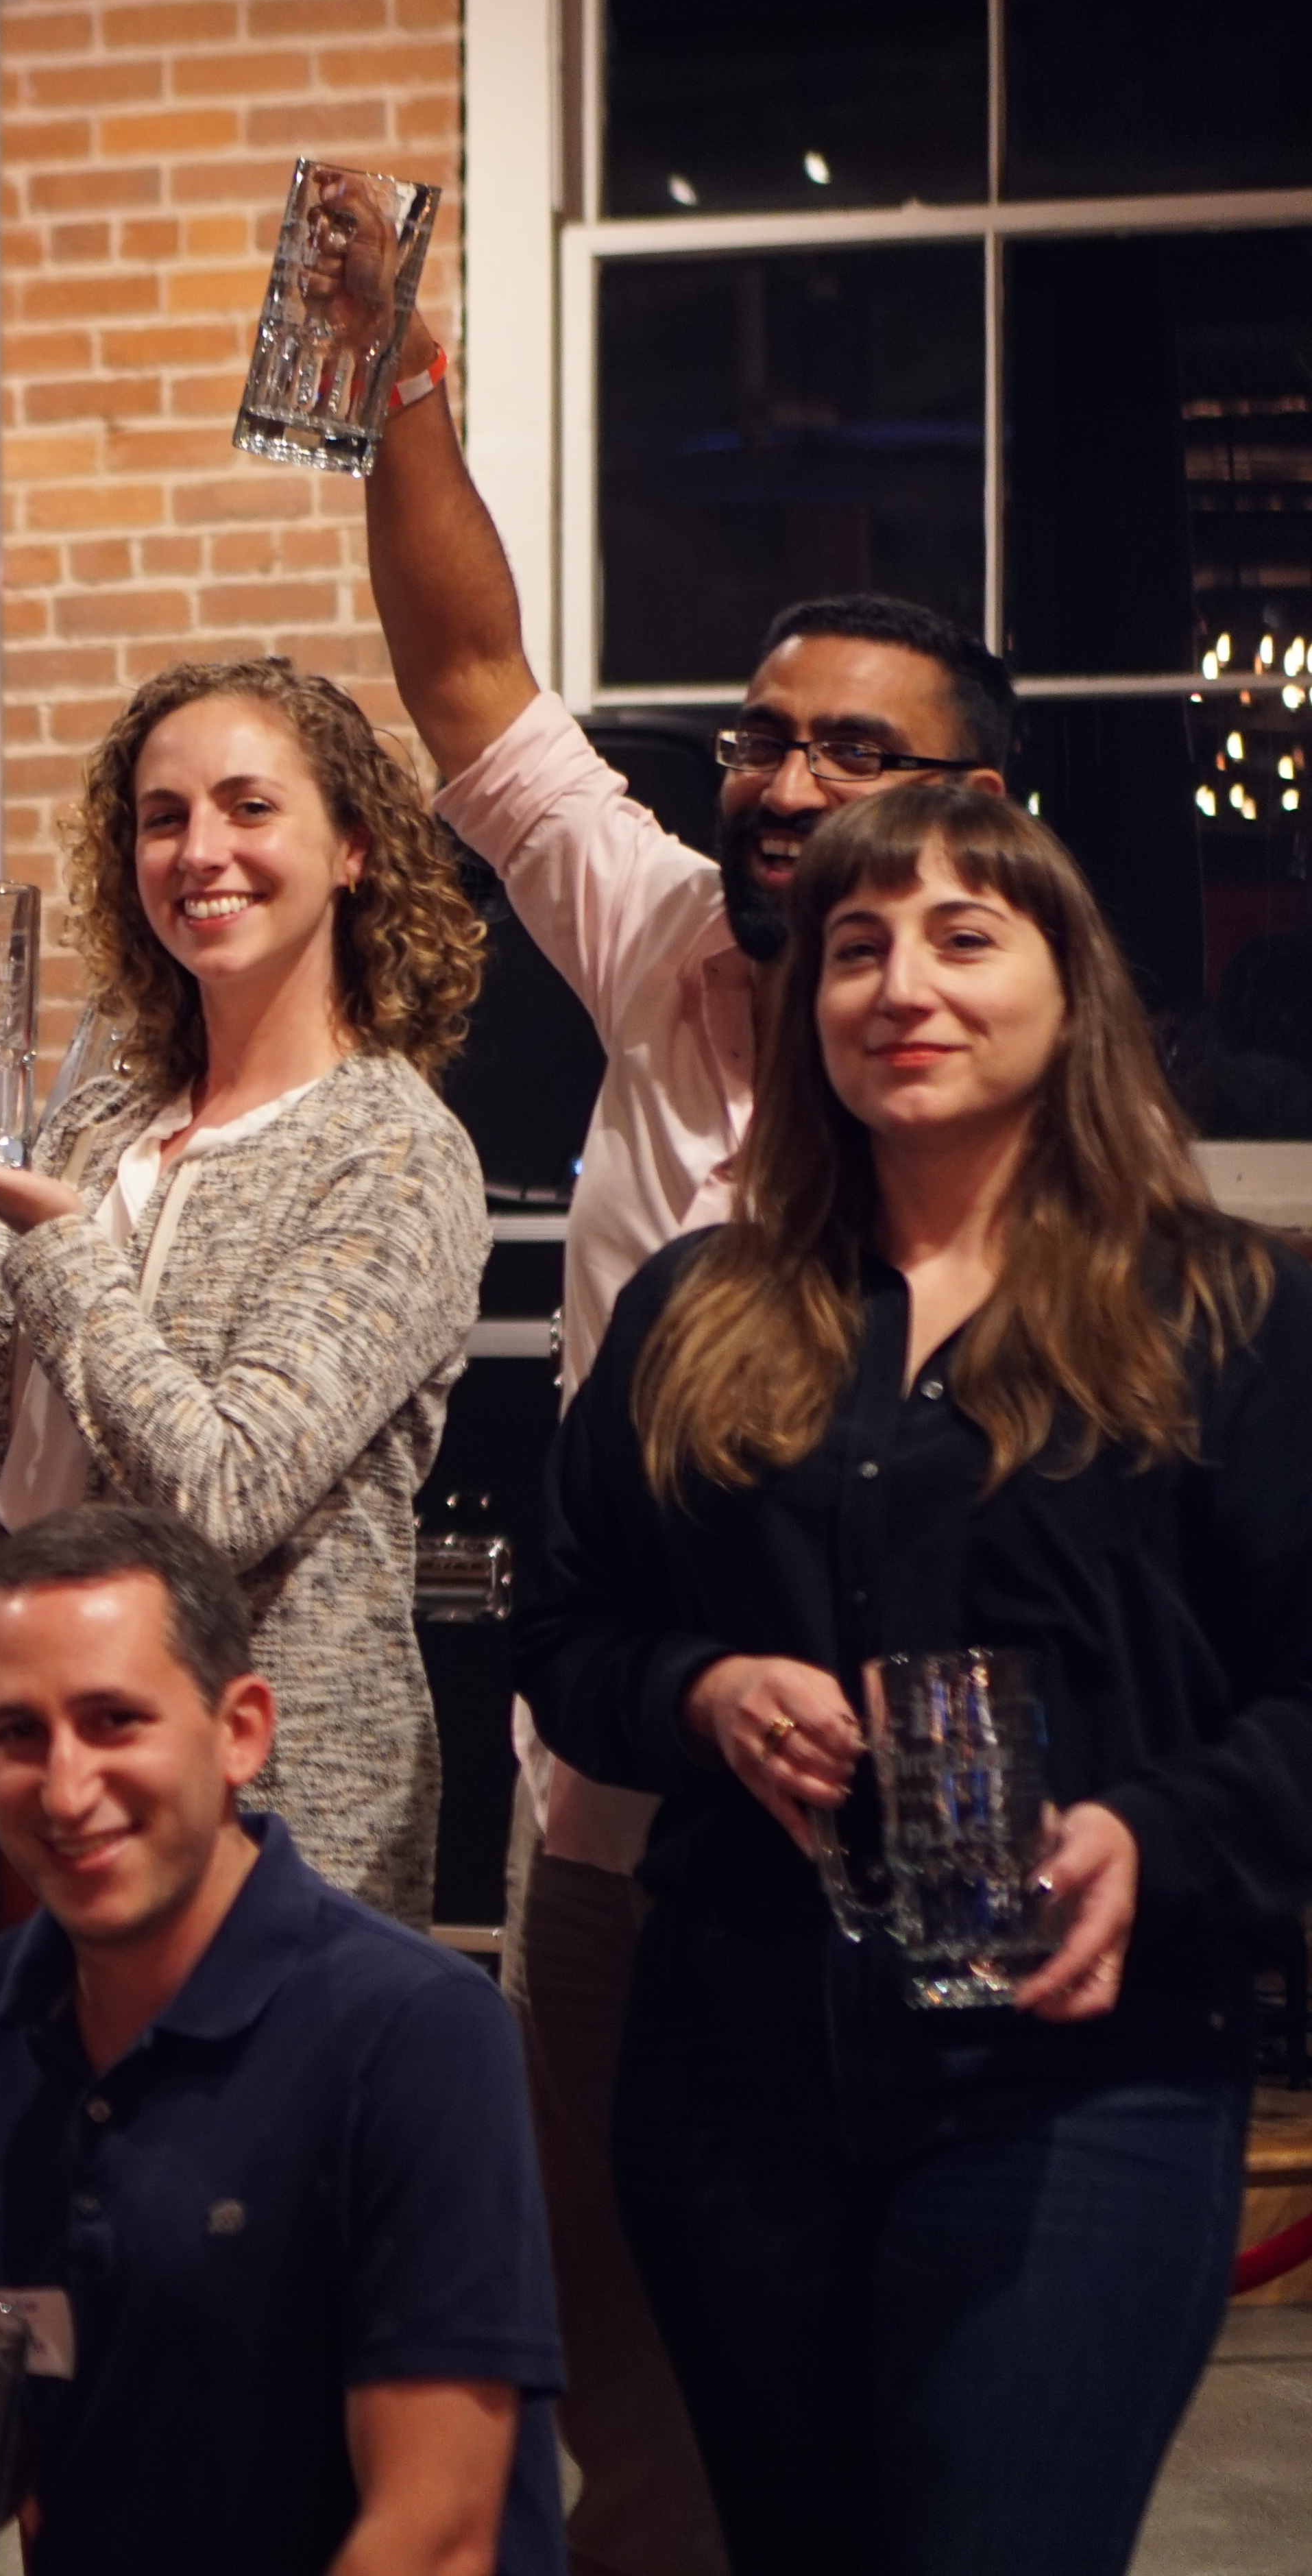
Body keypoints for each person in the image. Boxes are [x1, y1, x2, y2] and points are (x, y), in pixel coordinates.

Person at [361, 298, 1021, 2576]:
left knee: (935, 2440)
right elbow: (471, 686)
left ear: (983, 819)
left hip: (964, 1869)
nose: (783, 780)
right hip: (630, 1851)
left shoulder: (1033, 1086)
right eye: (761, 740)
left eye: (851, 749)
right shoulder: (669, 962)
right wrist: (402, 394)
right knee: (636, 2437)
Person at [518, 786, 1312, 2576]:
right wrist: (707, 1693)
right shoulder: (695, 1307)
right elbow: (567, 1641)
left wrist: (1150, 1833)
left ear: (1069, 985)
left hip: (1080, 2072)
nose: (901, 983)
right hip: (735, 2059)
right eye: (857, 945)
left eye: (966, 936)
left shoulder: (1220, 1313)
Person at [0, 1500, 566, 2576]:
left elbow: (436, 2537)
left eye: (115, 1721)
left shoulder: (414, 2033)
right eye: (21, 1733)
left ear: (241, 1730)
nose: (68, 1790)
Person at [0, 655, 489, 1921]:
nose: (200, 850)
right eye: (164, 818)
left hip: (264, 1825)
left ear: (357, 851)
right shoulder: (105, 1123)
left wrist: (60, 1243)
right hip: (34, 1781)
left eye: (250, 807)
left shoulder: (393, 1149)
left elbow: (222, 1495)